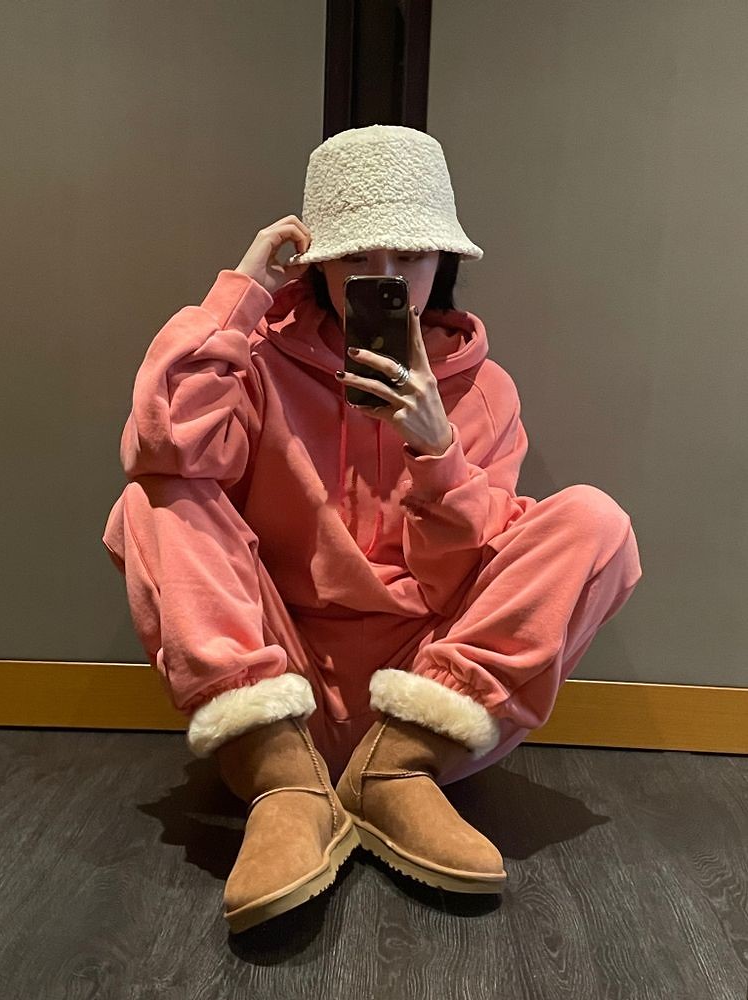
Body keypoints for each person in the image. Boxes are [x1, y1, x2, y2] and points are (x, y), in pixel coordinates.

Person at [101, 124, 642, 934]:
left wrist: (437, 449)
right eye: (358, 257)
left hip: (424, 695)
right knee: (155, 498)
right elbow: (163, 445)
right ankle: (285, 782)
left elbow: (451, 582)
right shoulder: (255, 364)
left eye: (410, 256)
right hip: (277, 686)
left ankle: (395, 777)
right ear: (318, 265)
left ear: (442, 260)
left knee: (595, 520)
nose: (386, 279)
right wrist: (240, 296)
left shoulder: (485, 392)